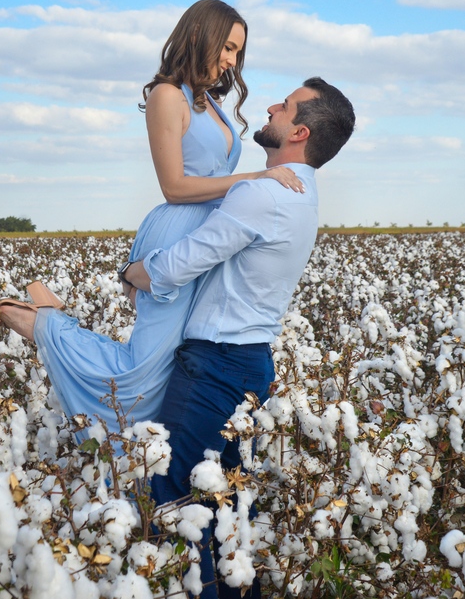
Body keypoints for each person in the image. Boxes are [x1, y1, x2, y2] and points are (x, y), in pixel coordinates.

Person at [0, 0, 303, 432]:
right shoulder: (166, 96)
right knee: (144, 372)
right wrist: (257, 179)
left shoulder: (208, 100)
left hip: (205, 236)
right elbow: (173, 186)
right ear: (199, 35)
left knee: (172, 365)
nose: (232, 60)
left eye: (237, 52)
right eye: (227, 47)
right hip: (177, 231)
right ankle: (41, 322)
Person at [122, 76, 356, 599]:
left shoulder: (264, 193)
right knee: (221, 502)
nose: (268, 106)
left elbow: (186, 260)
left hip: (214, 368)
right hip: (248, 366)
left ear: (297, 131)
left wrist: (135, 271)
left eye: (285, 105)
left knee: (176, 499)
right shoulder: (300, 193)